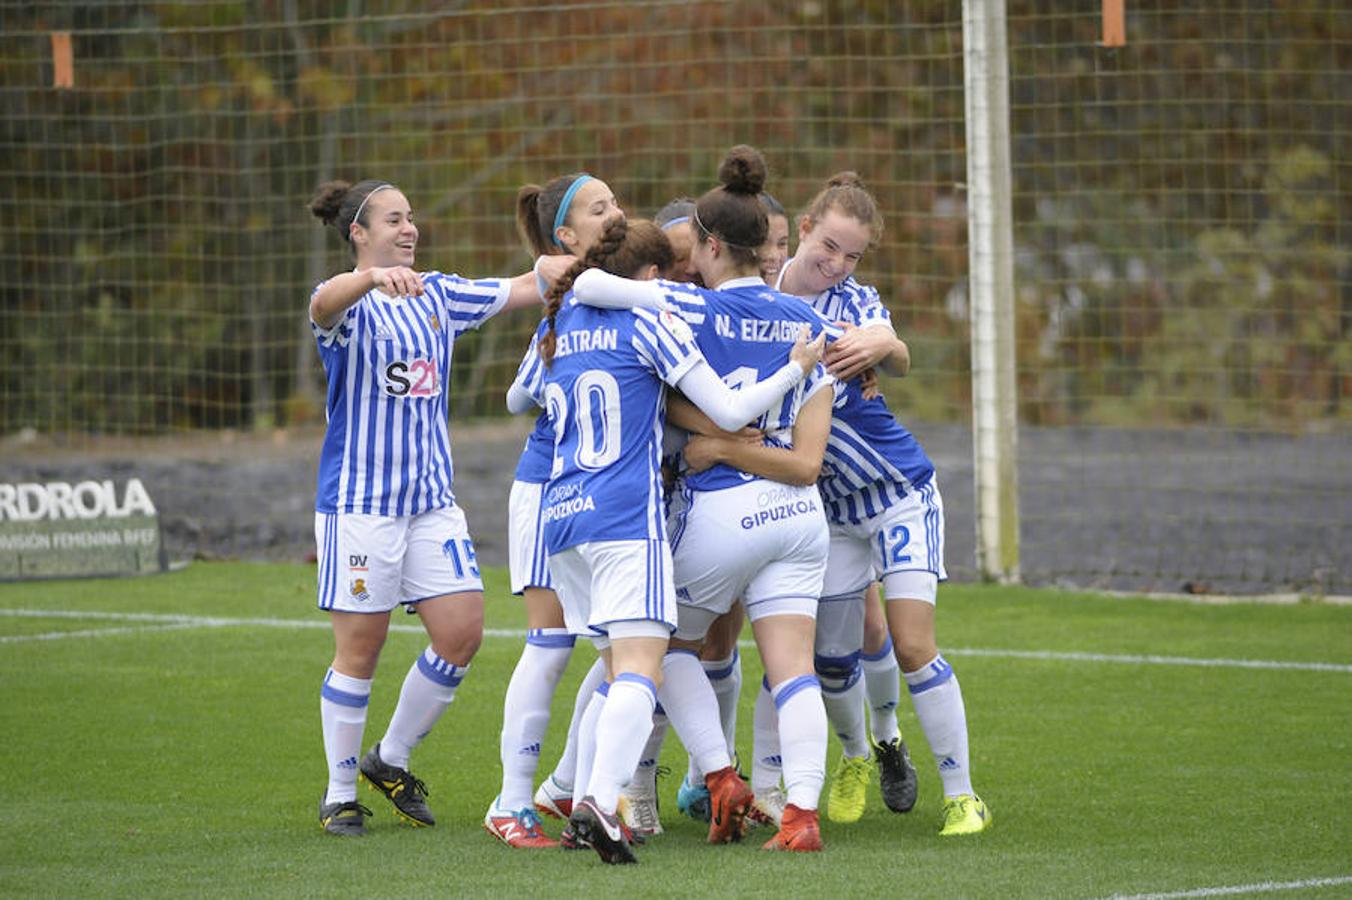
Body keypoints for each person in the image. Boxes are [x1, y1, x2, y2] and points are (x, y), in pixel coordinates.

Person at [533, 215, 825, 864]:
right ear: (656, 272)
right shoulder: (666, 317)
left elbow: (517, 397)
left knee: (616, 665)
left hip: (562, 515)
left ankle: (576, 791)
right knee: (647, 664)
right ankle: (604, 802)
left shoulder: (562, 321)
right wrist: (796, 368)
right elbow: (729, 412)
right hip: (628, 516)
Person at [306, 179, 567, 837]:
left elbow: (523, 287)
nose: (409, 229)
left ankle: (388, 759)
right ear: (359, 232)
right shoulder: (352, 304)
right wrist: (368, 280)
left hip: (430, 505)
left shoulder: (438, 294)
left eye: (412, 218)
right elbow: (322, 303)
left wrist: (596, 257)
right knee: (360, 648)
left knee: (461, 632)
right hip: (360, 506)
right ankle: (339, 795)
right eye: (394, 220)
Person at [777, 172, 989, 836]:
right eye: (830, 246)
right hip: (830, 516)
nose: (837, 263)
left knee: (911, 644)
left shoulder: (854, 300)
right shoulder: (754, 299)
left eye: (853, 254)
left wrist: (891, 346)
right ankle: (855, 758)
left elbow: (891, 350)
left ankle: (962, 796)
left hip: (900, 495)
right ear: (804, 228)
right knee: (832, 659)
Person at [484, 172, 630, 849]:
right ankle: (513, 801)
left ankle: (569, 789)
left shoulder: (616, 287)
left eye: (617, 202)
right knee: (555, 644)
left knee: (619, 651)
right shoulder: (568, 295)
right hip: (549, 488)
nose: (617, 213)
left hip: (595, 494)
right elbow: (518, 395)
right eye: (600, 208)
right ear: (566, 235)